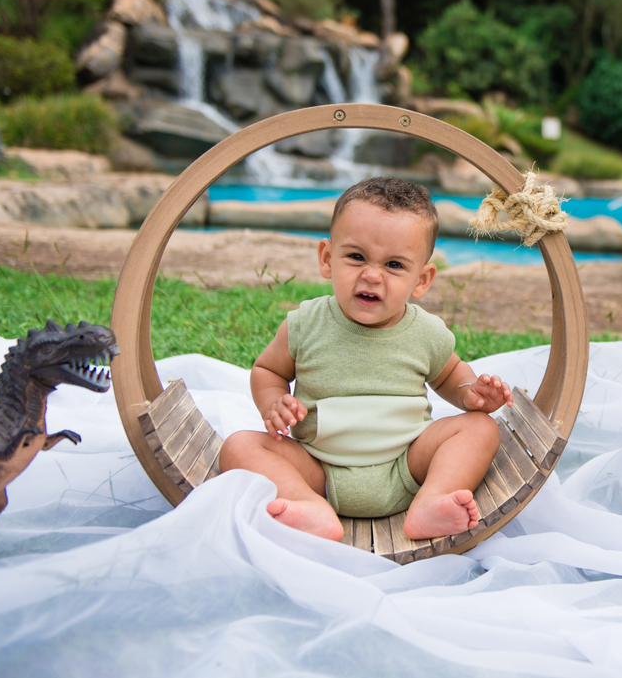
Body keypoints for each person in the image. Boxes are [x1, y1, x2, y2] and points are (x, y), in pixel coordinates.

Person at [218, 177, 513, 542]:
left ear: (422, 280)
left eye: (394, 265)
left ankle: (431, 499)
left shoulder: (425, 332)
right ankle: (306, 504)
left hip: (407, 465)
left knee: (480, 428)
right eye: (356, 257)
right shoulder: (306, 324)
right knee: (239, 446)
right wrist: (273, 402)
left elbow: (451, 373)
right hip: (318, 470)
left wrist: (470, 393)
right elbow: (267, 370)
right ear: (327, 259)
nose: (371, 275)